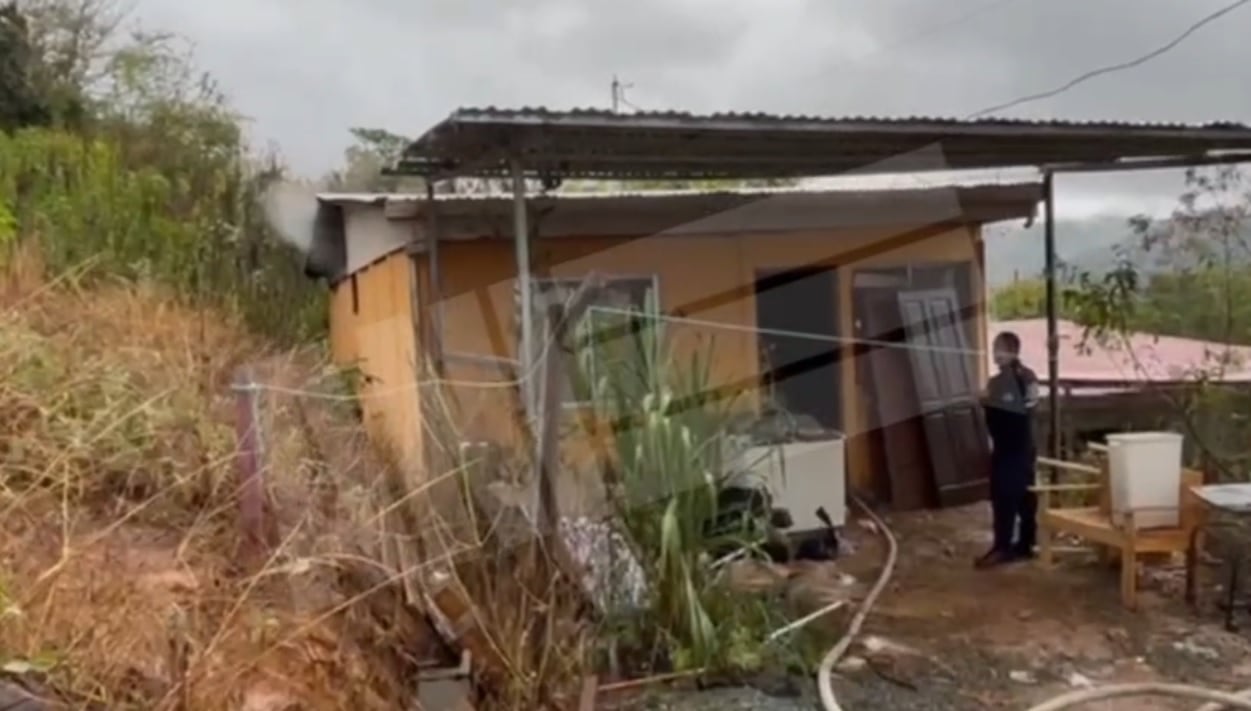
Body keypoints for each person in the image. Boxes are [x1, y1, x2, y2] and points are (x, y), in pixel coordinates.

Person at [976, 331, 1040, 569]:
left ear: (1012, 351)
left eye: (998, 348)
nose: (994, 353)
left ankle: (1003, 547)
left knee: (1006, 498)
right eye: (994, 347)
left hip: (1010, 449)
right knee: (1024, 495)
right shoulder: (1027, 376)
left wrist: (985, 401)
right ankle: (1026, 544)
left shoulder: (1006, 381)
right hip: (1024, 447)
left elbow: (1010, 414)